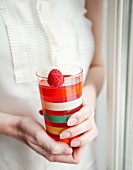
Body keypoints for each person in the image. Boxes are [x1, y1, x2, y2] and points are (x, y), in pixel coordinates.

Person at [0, 0, 104, 170]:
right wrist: (15, 126)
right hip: (10, 162)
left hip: (83, 162)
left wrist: (88, 99)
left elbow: (97, 66)